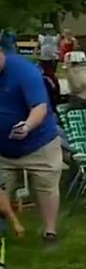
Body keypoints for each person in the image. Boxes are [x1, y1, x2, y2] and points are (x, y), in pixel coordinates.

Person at [0, 44, 63, 245]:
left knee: (46, 188)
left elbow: (40, 107)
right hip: (3, 149)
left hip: (39, 142)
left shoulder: (24, 71)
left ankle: (50, 232)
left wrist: (26, 126)